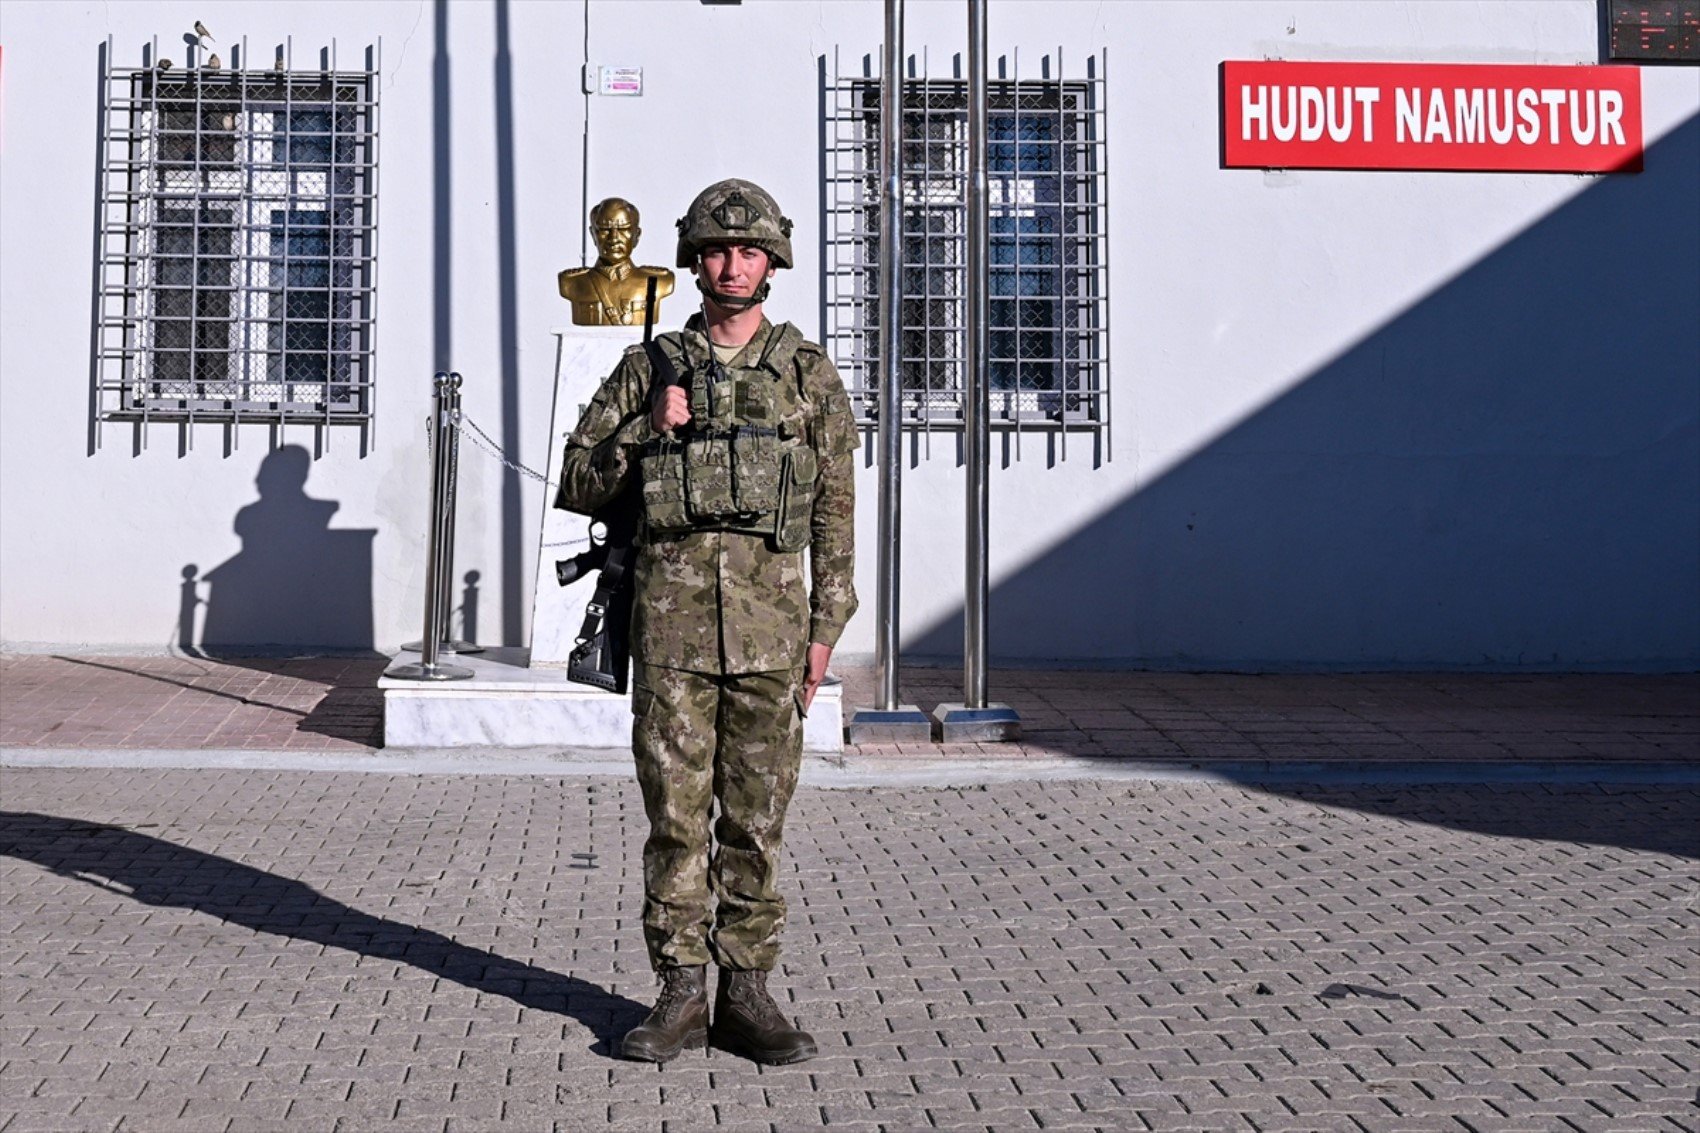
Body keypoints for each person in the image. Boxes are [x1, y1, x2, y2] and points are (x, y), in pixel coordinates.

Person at [555, 179, 858, 1064]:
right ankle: (681, 991)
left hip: (773, 635)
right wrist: (646, 431)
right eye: (719, 252)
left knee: (756, 822)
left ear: (773, 262)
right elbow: (577, 481)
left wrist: (825, 628)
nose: (733, 266)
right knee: (678, 819)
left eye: (749, 251)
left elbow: (836, 511)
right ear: (695, 261)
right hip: (673, 636)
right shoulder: (651, 368)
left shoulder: (807, 376)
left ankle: (748, 991)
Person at [557, 197, 676, 326]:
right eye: (604, 230)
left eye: (623, 229)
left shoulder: (659, 281)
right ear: (593, 235)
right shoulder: (572, 282)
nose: (613, 238)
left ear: (637, 235)